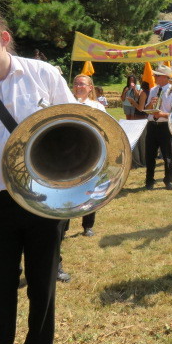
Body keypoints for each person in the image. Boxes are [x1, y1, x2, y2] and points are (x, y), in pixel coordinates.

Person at [0, 8, 75, 344]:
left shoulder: (44, 74)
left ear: (4, 39)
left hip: (45, 198)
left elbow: (74, 129)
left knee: (42, 286)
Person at [72, 74, 106, 235]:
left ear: (90, 88)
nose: (78, 87)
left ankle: (88, 225)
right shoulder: (66, 103)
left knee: (90, 189)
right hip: (69, 151)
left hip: (90, 152)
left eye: (82, 84)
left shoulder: (97, 107)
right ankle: (63, 225)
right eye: (76, 84)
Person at [144, 66, 172, 190]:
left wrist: (161, 115)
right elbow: (147, 109)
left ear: (165, 77)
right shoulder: (153, 90)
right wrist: (150, 104)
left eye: (157, 75)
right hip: (152, 125)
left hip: (164, 126)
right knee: (150, 154)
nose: (155, 77)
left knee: (167, 155)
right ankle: (149, 180)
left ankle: (168, 180)